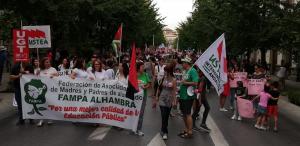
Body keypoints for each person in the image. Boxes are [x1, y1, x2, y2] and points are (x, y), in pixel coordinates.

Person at [154, 65, 176, 140]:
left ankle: (163, 129)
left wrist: (174, 101)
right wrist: (156, 97)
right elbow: (158, 88)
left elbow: (174, 91)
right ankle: (165, 132)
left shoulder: (174, 80)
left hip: (169, 99)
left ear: (170, 71)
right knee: (163, 115)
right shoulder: (163, 78)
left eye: (166, 71)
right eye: (165, 71)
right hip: (162, 98)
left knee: (166, 116)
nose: (165, 72)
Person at [178, 57, 198, 139]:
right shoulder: (185, 71)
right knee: (183, 113)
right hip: (182, 95)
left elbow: (195, 82)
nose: (182, 64)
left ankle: (190, 131)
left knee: (188, 113)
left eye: (183, 62)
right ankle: (186, 129)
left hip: (188, 96)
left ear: (187, 63)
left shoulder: (193, 71)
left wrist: (185, 83)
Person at [36, 57, 58, 127]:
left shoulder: (53, 69)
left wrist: (53, 75)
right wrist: (37, 73)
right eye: (46, 62)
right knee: (42, 104)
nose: (48, 63)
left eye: (48, 62)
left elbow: (58, 76)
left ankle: (50, 118)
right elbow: (35, 78)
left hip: (50, 90)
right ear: (43, 63)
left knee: (49, 104)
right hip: (42, 90)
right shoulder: (40, 70)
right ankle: (41, 119)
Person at [135, 62, 151, 136]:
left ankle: (139, 129)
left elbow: (149, 84)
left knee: (141, 113)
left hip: (143, 96)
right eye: (142, 67)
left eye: (143, 67)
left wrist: (146, 87)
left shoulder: (146, 75)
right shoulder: (134, 75)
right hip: (135, 96)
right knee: (133, 112)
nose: (143, 68)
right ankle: (133, 127)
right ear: (138, 68)